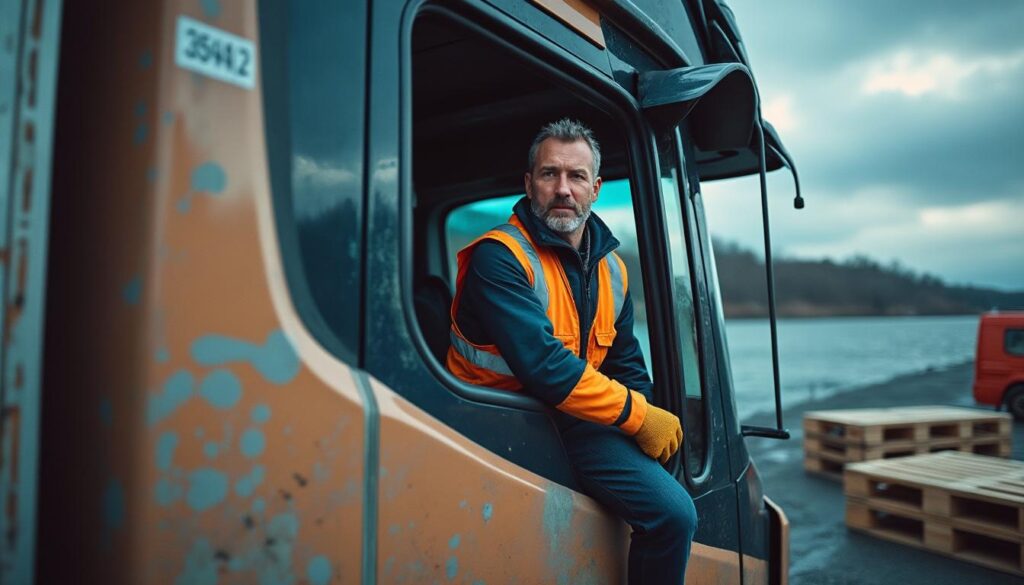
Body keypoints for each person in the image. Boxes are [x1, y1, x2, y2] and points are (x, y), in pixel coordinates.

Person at [447, 119, 697, 584]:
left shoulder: (613, 271)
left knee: (675, 506)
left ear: (596, 188)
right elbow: (546, 366)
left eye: (577, 176)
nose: (563, 189)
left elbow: (626, 365)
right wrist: (640, 418)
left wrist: (646, 425)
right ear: (529, 183)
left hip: (574, 420)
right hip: (492, 419)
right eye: (549, 174)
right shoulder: (498, 257)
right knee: (670, 509)